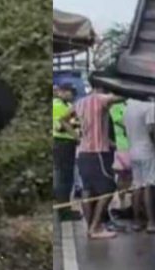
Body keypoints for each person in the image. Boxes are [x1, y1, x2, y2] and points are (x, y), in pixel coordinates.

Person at [73, 88, 124, 239]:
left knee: (87, 189)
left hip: (82, 151)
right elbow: (121, 97)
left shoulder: (79, 102)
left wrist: (76, 136)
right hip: (98, 153)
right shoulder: (101, 99)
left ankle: (91, 227)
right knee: (108, 188)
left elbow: (62, 118)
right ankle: (95, 227)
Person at [124, 97, 155, 232]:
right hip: (146, 149)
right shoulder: (149, 106)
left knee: (137, 185)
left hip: (133, 149)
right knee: (148, 185)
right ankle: (151, 222)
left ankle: (136, 221)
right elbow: (151, 129)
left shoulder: (129, 105)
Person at [52, 83, 79, 221]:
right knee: (63, 178)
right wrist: (76, 135)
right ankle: (63, 211)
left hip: (68, 144)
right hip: (62, 143)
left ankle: (65, 207)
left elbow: (73, 122)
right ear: (62, 92)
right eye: (70, 92)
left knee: (67, 178)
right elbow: (60, 127)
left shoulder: (67, 106)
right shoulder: (56, 105)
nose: (73, 96)